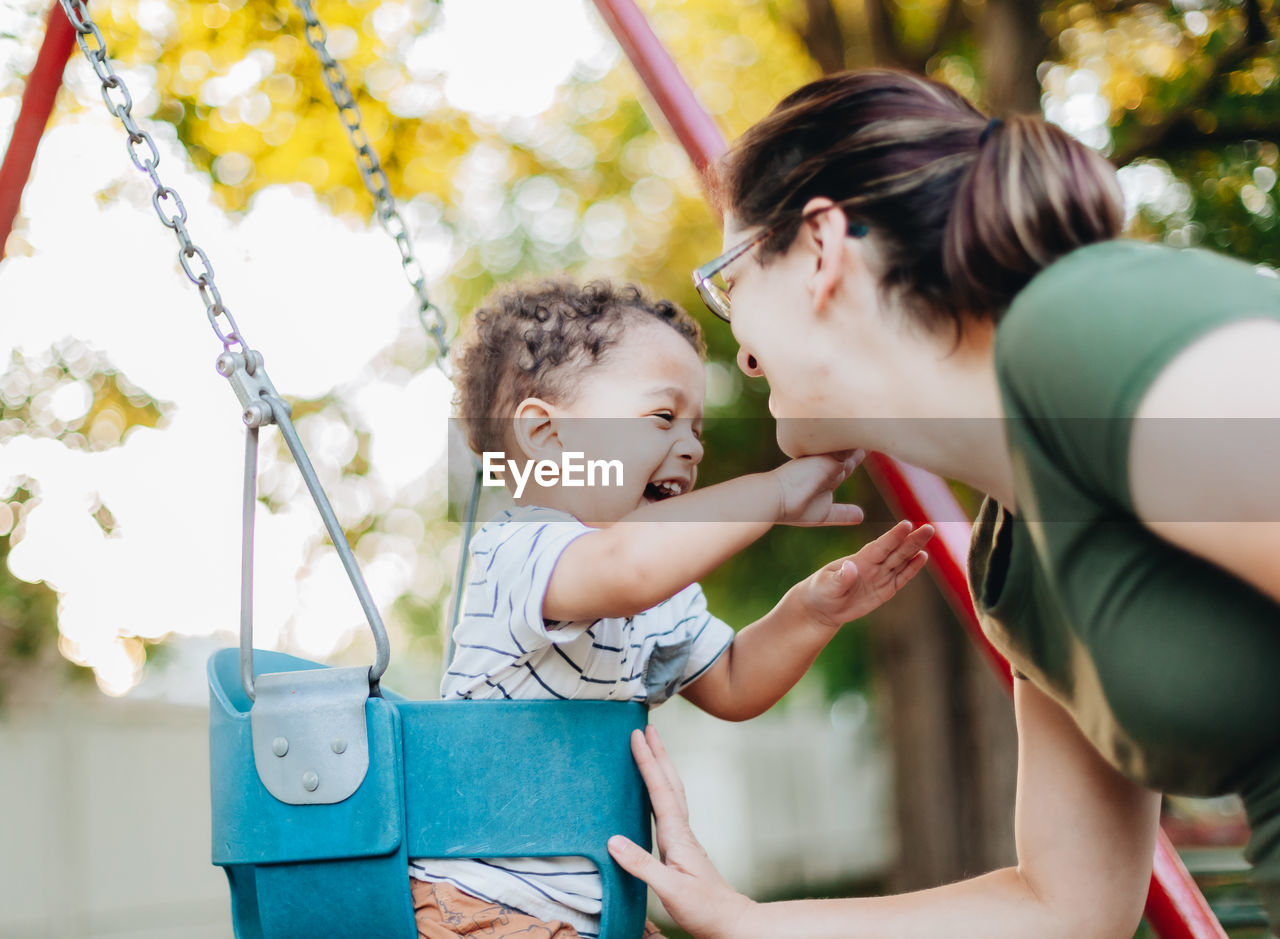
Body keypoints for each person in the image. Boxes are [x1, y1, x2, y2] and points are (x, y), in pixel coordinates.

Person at [604, 68, 1280, 938]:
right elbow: (1066, 905)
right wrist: (745, 922)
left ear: (820, 249)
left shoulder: (1085, 329)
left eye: (728, 286)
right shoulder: (1017, 563)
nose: (743, 356)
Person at [409, 277, 935, 939]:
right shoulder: (518, 552)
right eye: (663, 416)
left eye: (697, 428)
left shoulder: (659, 593)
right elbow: (626, 568)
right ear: (545, 435)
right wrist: (769, 494)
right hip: (475, 903)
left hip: (596, 917)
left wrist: (809, 613)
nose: (692, 446)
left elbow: (736, 681)